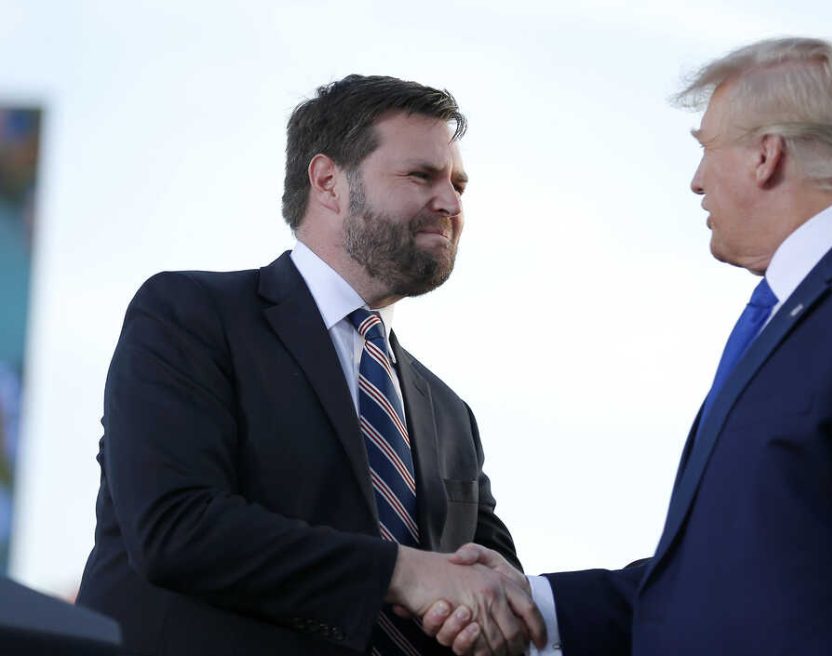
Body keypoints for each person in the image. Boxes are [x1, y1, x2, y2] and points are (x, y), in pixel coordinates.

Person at [432, 37, 832, 655]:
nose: (695, 181)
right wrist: (533, 603)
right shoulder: (803, 311)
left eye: (707, 149)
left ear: (767, 155)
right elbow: (730, 588)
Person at [76, 75, 544, 656]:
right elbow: (176, 527)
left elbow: (492, 585)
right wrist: (404, 572)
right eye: (421, 176)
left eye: (458, 184)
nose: (450, 202)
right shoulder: (190, 317)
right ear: (328, 181)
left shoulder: (451, 415)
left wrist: (489, 598)